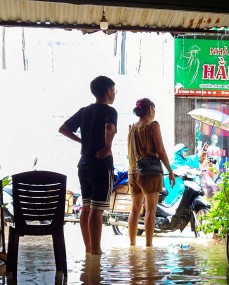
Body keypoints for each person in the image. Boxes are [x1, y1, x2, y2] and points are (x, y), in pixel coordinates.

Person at [58, 76, 117, 255]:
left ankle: (88, 248)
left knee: (86, 206)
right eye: (114, 90)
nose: (114, 93)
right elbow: (109, 128)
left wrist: (83, 142)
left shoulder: (84, 111)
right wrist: (107, 147)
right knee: (97, 210)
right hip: (101, 164)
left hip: (83, 165)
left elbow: (63, 128)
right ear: (108, 91)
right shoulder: (110, 111)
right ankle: (97, 249)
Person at [126, 98, 175, 246]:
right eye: (154, 109)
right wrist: (170, 171)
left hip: (133, 172)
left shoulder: (132, 128)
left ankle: (132, 244)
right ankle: (148, 246)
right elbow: (160, 150)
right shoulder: (153, 125)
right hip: (150, 173)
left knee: (134, 210)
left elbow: (129, 151)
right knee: (150, 211)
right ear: (150, 109)